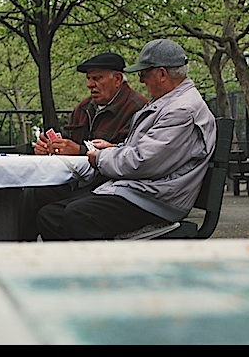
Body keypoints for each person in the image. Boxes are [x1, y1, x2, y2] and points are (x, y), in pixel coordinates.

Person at [36, 38, 217, 240]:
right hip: (141, 189)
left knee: (79, 214)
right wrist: (113, 148)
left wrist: (102, 157)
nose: (141, 81)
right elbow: (148, 152)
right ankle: (73, 270)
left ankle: (101, 270)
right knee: (50, 214)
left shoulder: (182, 109)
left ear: (162, 74)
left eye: (143, 73)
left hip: (156, 198)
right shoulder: (169, 103)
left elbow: (144, 161)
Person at [18, 52, 148, 241]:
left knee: (50, 213)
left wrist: (78, 150)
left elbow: (125, 153)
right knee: (31, 193)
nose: (90, 84)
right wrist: (50, 147)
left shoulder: (137, 108)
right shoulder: (85, 107)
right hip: (77, 179)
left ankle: (60, 262)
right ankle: (21, 253)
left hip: (107, 184)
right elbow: (68, 140)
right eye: (88, 78)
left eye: (97, 78)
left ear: (118, 79)